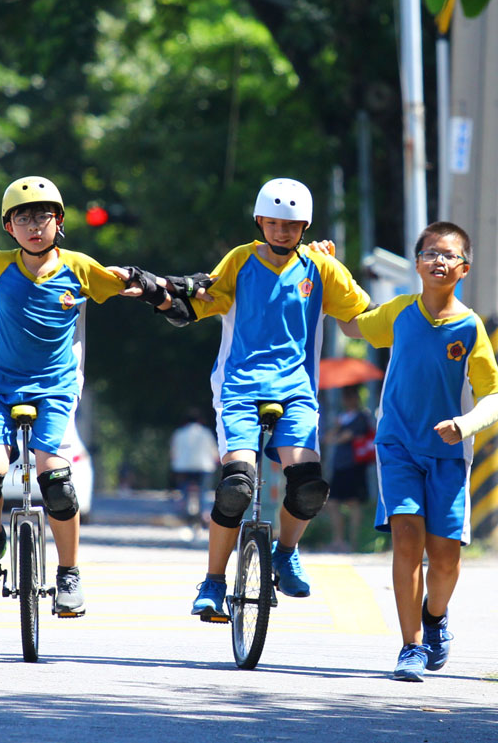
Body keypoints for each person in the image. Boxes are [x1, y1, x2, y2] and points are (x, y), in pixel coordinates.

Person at [131, 178, 371, 619]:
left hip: (297, 389)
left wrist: (345, 275)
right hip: (240, 386)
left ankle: (285, 552)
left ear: (306, 226)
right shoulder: (240, 259)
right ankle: (214, 581)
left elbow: (357, 315)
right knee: (236, 487)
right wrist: (160, 298)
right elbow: (197, 306)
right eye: (274, 223)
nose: (282, 232)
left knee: (310, 486)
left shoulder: (321, 268)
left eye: (292, 225)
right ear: (260, 221)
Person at [0, 175, 140, 616]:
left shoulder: (79, 268)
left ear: (59, 222)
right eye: (22, 218)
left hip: (55, 389)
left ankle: (69, 572)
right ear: (8, 227)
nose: (34, 226)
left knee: (57, 483)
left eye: (42, 217)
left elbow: (130, 286)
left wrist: (163, 290)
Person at [339, 221, 498, 682]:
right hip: (396, 445)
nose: (439, 260)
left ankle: (435, 617)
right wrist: (329, 266)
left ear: (464, 268)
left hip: (449, 454)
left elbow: (496, 396)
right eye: (430, 252)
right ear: (416, 264)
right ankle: (410, 645)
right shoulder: (398, 313)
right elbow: (351, 324)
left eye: (449, 255)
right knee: (407, 537)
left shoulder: (470, 328)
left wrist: (465, 424)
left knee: (447, 557)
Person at [322, 385, 374, 552]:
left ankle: (354, 541)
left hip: (355, 465)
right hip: (340, 465)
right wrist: (337, 429)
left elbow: (347, 437)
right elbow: (328, 437)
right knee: (333, 502)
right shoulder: (341, 417)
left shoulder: (362, 416)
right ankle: (339, 540)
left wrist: (337, 436)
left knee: (353, 503)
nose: (348, 400)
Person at [169, 409, 220, 528]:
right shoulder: (206, 433)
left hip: (183, 467)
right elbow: (214, 452)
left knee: (184, 490)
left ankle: (185, 512)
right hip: (204, 466)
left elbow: (173, 453)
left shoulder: (179, 433)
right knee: (203, 492)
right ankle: (204, 514)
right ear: (200, 421)